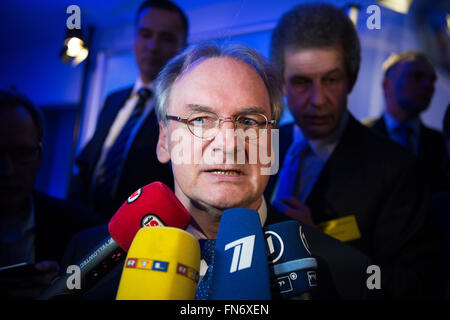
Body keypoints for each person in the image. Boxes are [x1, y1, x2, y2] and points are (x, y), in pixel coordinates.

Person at [61, 42, 374, 301]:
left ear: (272, 145)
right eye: (200, 120)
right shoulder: (89, 260)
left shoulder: (347, 275)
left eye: (249, 122)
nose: (228, 144)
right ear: (164, 140)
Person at [266, 3, 441, 299]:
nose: (318, 99)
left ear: (352, 79)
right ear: (282, 84)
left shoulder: (397, 169)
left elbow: (412, 284)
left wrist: (318, 245)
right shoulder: (261, 144)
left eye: (331, 80)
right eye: (301, 82)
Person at [68, 0, 189, 221]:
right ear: (134, 39)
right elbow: (87, 163)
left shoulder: (186, 107)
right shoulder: (113, 100)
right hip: (84, 225)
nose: (153, 46)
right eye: (145, 34)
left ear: (183, 46)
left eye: (167, 37)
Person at [0, 90, 101, 299]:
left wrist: (65, 290)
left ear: (40, 157)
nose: (7, 170)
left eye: (22, 153)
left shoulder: (79, 229)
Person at [365, 51, 449, 192]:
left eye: (432, 80)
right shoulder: (359, 137)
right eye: (416, 76)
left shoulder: (441, 144)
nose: (428, 85)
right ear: (387, 85)